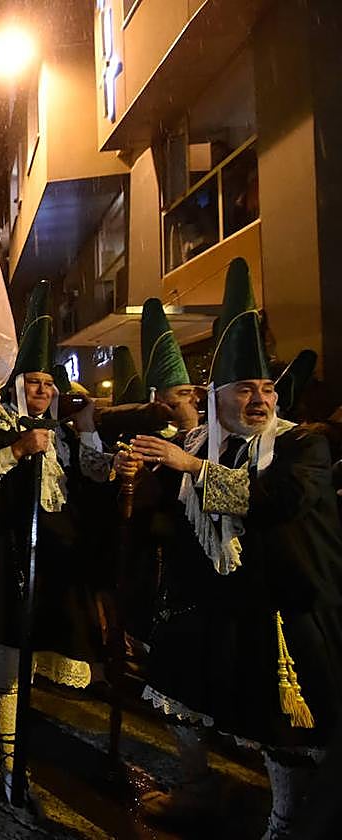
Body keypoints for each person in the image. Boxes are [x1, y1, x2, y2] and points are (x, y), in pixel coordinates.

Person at [128, 259, 342, 837]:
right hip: (212, 605)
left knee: (282, 728)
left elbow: (274, 500)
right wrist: (129, 476)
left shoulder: (303, 447)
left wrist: (187, 466)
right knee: (177, 687)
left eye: (267, 387)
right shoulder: (201, 445)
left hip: (286, 609)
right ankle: (198, 788)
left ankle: (286, 821)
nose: (260, 398)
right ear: (218, 395)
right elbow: (161, 515)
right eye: (246, 388)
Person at [0, 280, 120, 804]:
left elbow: (97, 476)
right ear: (18, 384)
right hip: (5, 558)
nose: (43, 391)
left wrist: (89, 427)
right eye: (35, 382)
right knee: (7, 666)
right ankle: (8, 761)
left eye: (50, 383)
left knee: (28, 666)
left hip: (52, 563)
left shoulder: (66, 434)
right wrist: (20, 448)